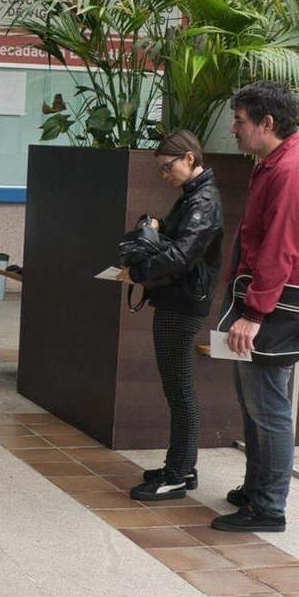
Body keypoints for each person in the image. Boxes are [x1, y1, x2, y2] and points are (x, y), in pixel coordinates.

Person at [213, 81, 299, 534]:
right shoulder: (277, 162)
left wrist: (254, 314)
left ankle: (268, 507)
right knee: (254, 400)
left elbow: (281, 249)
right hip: (268, 297)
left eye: (240, 123)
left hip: (277, 303)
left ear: (267, 123)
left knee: (268, 405)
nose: (234, 130)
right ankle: (256, 489)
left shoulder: (292, 170)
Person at [120, 131, 224, 501]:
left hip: (183, 301)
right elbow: (179, 240)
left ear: (191, 159)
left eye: (169, 167)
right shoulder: (194, 196)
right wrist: (158, 226)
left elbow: (182, 256)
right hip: (180, 297)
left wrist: (137, 273)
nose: (165, 174)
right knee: (177, 388)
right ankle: (183, 465)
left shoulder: (203, 201)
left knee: (179, 389)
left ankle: (178, 473)